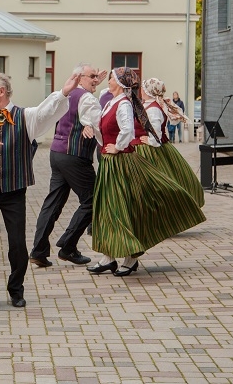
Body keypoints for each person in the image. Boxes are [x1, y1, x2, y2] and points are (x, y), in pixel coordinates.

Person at [0, 72, 80, 309]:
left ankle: (16, 289)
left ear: (0, 92)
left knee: (16, 243)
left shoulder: (25, 116)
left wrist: (63, 93)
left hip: (14, 190)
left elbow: (47, 111)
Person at [87, 68, 205, 277]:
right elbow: (103, 126)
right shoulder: (110, 102)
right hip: (109, 163)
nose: (109, 80)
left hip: (121, 163)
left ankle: (130, 257)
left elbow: (127, 131)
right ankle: (108, 257)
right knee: (107, 208)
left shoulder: (123, 103)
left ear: (121, 83)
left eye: (112, 78)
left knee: (121, 208)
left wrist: (118, 146)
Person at [30, 65, 106, 268]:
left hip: (57, 152)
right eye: (92, 76)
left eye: (97, 77)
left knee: (53, 202)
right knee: (94, 200)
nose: (96, 80)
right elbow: (99, 125)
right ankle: (68, 245)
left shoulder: (65, 94)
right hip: (75, 155)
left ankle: (38, 251)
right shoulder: (87, 99)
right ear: (79, 78)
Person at [137, 78, 205, 209]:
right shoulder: (148, 104)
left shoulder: (153, 109)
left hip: (152, 150)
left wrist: (150, 140)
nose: (141, 90)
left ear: (148, 91)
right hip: (149, 147)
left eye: (143, 87)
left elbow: (156, 131)